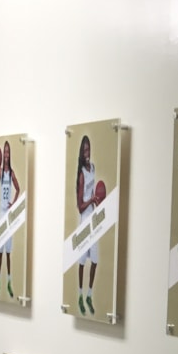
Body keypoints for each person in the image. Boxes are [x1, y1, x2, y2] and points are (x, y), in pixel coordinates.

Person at [74, 134, 103, 315]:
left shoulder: (93, 167)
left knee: (95, 261)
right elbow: (79, 207)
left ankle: (89, 295)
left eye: (88, 149)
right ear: (81, 152)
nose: (87, 152)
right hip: (84, 221)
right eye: (84, 150)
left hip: (93, 220)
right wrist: (91, 200)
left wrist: (97, 201)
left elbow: (93, 194)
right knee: (82, 262)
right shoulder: (81, 175)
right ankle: (80, 295)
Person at [0, 140, 21, 299]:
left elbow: (18, 188)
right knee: (0, 251)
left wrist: (13, 203)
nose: (7, 154)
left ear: (10, 154)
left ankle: (8, 281)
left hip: (8, 215)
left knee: (8, 252)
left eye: (8, 152)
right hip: (1, 214)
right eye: (5, 151)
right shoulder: (1, 172)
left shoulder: (12, 173)